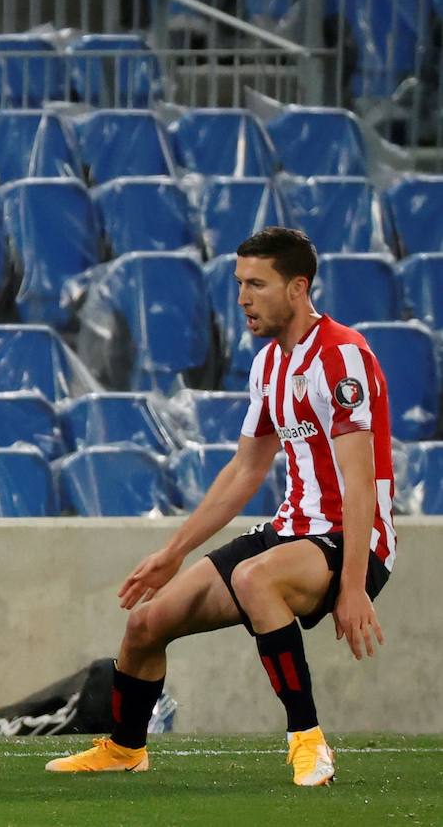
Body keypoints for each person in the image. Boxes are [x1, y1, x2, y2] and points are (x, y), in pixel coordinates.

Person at [46, 226, 394, 786]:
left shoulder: (342, 356)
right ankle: (125, 747)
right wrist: (172, 552)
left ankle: (308, 741)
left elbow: (361, 481)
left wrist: (352, 585)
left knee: (256, 578)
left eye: (257, 284)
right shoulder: (268, 365)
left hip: (352, 539)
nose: (242, 299)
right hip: (290, 531)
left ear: (298, 288)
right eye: (239, 283)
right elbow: (245, 470)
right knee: (145, 624)